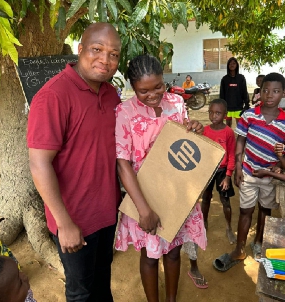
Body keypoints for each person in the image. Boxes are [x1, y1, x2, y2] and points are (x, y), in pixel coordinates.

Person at [27, 22, 122, 301]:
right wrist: (64, 222)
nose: (105, 59)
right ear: (80, 50)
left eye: (114, 54)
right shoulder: (53, 96)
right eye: (97, 49)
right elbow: (39, 163)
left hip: (106, 212)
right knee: (80, 292)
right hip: (74, 220)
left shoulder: (110, 94)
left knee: (103, 281)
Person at [115, 54, 208, 301]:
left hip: (176, 192)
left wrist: (194, 129)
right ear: (133, 88)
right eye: (143, 91)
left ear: (164, 79)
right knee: (150, 255)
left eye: (158, 86)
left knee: (174, 252)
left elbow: (186, 141)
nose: (153, 94)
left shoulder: (177, 103)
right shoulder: (124, 112)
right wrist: (143, 210)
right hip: (144, 195)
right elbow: (123, 163)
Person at [213, 72, 285, 271]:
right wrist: (237, 166)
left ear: (283, 93)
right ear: (259, 92)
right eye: (266, 90)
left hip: (270, 177)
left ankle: (259, 243)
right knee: (245, 210)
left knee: (265, 209)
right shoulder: (249, 115)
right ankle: (239, 249)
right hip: (248, 172)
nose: (270, 95)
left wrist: (279, 165)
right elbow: (241, 141)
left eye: (276, 91)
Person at [201, 99, 236, 244]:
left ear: (225, 115)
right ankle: (204, 223)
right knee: (206, 198)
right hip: (208, 170)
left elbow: (232, 155)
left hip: (222, 171)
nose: (213, 116)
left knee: (225, 200)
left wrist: (228, 176)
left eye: (217, 113)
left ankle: (228, 227)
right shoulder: (205, 131)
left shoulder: (228, 132)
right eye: (211, 112)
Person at [219, 57, 249, 127]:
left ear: (237, 65)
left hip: (238, 106)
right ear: (228, 65)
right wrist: (221, 105)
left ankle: (239, 137)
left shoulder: (241, 78)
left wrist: (246, 103)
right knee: (228, 124)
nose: (232, 65)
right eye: (230, 63)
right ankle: (229, 137)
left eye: (234, 63)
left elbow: (244, 91)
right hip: (227, 107)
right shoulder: (224, 79)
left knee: (240, 125)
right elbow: (222, 93)